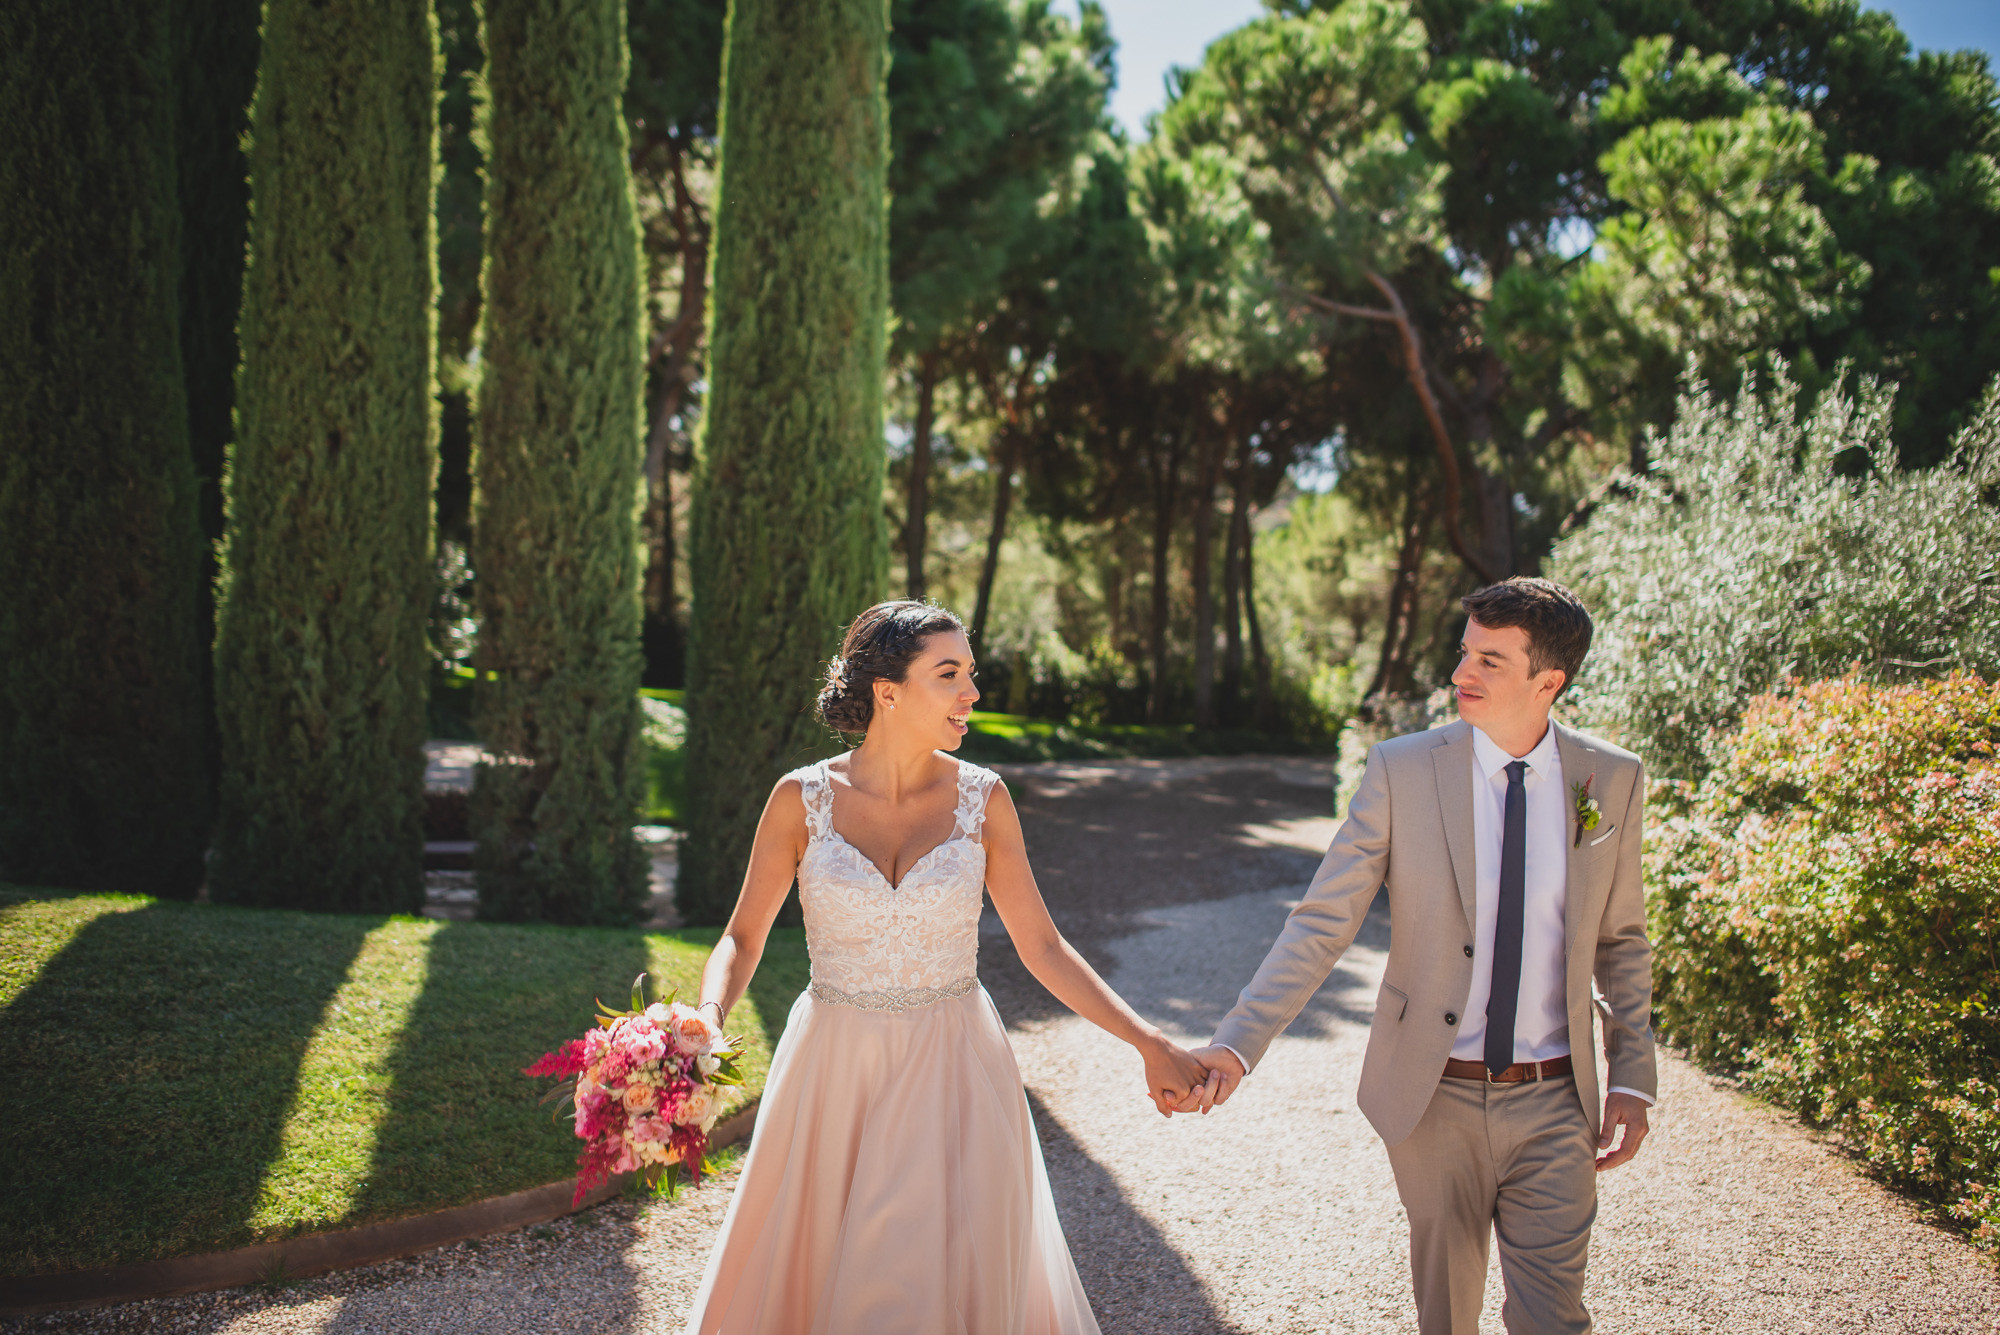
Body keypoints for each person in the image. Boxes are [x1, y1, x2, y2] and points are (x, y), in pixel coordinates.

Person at [682, 599, 1209, 1334]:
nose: (972, 693)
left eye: (971, 673)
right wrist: (707, 1016)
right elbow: (742, 935)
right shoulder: (799, 799)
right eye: (950, 673)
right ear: (887, 691)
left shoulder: (983, 798)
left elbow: (1043, 946)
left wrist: (1150, 1042)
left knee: (935, 1278)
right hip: (834, 1070)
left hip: (955, 1067)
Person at [1185, 577, 1657, 1334]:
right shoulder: (1402, 769)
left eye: (1490, 662)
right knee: (1447, 1312)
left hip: (1556, 1100)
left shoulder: (1612, 778)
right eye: (1464, 653)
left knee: (1554, 1319)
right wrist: (1239, 1044)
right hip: (1433, 1094)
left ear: (1550, 680)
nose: (1460, 674)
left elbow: (1621, 939)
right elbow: (1322, 921)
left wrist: (1634, 1076)